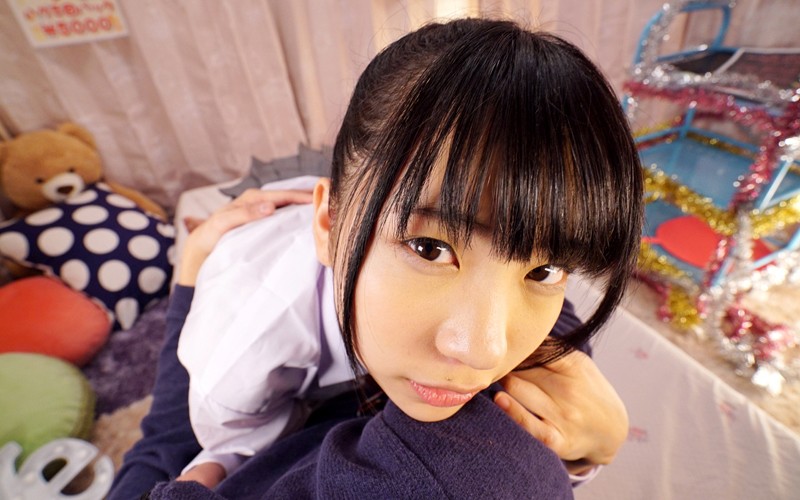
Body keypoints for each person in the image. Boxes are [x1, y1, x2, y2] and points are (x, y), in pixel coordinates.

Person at [130, 17, 642, 499]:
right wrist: (225, 463)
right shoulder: (248, 334)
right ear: (329, 224)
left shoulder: (523, 328)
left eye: (544, 269)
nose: (483, 352)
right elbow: (211, 436)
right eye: (430, 248)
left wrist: (583, 446)